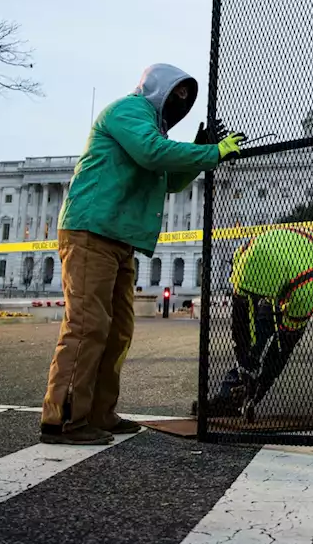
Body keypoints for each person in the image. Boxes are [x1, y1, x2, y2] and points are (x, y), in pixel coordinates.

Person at [40, 64, 242, 446]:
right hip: (91, 229)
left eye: (186, 99)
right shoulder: (128, 111)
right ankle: (63, 417)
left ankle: (99, 412)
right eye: (176, 95)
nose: (179, 104)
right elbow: (151, 154)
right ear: (158, 90)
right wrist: (211, 152)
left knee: (117, 330)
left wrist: (201, 152)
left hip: (118, 237)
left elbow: (171, 181)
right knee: (87, 326)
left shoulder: (153, 131)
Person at [202, 226, 313, 421]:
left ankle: (255, 390)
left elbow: (285, 343)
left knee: (282, 344)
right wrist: (244, 358)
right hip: (283, 267)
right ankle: (230, 395)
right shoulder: (243, 260)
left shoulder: (307, 285)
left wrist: (261, 385)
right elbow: (241, 324)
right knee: (257, 333)